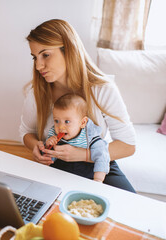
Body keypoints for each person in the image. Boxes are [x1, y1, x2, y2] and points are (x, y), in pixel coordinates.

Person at [19, 19, 136, 192]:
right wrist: (35, 145)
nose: (38, 66)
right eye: (34, 57)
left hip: (98, 164)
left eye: (45, 55)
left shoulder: (102, 89)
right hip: (55, 166)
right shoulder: (37, 93)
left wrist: (83, 155)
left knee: (131, 208)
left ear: (69, 50)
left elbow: (128, 145)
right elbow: (26, 132)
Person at [45, 93, 110, 182]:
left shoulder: (91, 139)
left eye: (67, 121)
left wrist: (97, 180)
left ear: (83, 122)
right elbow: (48, 158)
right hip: (60, 174)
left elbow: (102, 158)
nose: (60, 127)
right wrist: (48, 146)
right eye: (56, 121)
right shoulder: (54, 135)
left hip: (85, 177)